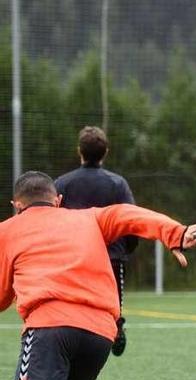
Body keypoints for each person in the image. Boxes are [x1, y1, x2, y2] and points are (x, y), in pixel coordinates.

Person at [2, 171, 196, 380]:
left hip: (50, 326)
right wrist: (174, 233)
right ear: (58, 201)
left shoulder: (8, 230)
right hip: (100, 331)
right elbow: (130, 215)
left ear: (16, 205)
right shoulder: (90, 217)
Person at [55, 126, 138, 358]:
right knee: (112, 300)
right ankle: (116, 324)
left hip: (73, 257)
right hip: (111, 255)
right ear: (106, 152)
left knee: (73, 301)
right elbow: (132, 220)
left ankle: (73, 334)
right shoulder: (117, 183)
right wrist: (127, 248)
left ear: (79, 151)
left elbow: (51, 219)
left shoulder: (63, 183)